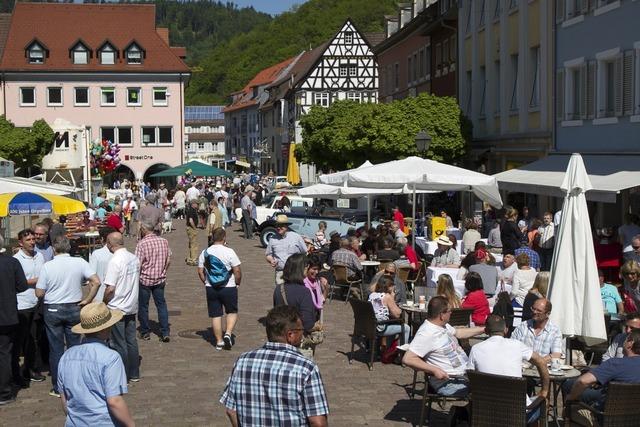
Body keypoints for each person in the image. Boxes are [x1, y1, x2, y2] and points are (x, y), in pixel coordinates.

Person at [220, 305, 329, 426]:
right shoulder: (306, 368)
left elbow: (231, 410)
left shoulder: (242, 362)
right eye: (301, 331)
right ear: (290, 335)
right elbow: (318, 423)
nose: (303, 335)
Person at [35, 236, 101, 397]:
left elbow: (39, 292)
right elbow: (96, 281)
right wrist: (87, 299)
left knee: (56, 349)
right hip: (74, 306)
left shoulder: (47, 266)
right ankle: (75, 382)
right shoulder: (79, 262)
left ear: (54, 249)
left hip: (53, 309)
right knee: (75, 348)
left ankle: (59, 386)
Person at [57, 303, 135, 426]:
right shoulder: (111, 358)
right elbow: (114, 401)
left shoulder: (66, 356)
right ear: (105, 328)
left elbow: (64, 400)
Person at [468, 314, 549, 423]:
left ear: (486, 331)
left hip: (485, 413)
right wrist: (544, 391)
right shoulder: (517, 345)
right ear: (506, 330)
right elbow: (541, 362)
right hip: (517, 415)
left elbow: (470, 377)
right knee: (542, 403)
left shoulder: (476, 349)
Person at [402, 296, 484, 397]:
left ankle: (465, 411)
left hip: (463, 376)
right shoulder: (427, 333)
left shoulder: (442, 325)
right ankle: (465, 411)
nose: (451, 313)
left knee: (490, 382)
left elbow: (458, 333)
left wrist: (483, 329)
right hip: (449, 382)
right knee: (487, 391)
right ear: (441, 315)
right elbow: (408, 358)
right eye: (449, 311)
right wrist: (434, 370)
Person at [563, 329, 640, 426]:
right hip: (634, 419)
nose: (623, 342)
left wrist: (571, 398)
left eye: (626, 339)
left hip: (603, 417)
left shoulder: (616, 363)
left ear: (630, 343)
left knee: (569, 389)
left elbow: (582, 381)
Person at [102, 232, 141, 383]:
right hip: (131, 304)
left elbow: (110, 288)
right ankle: (134, 372)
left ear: (110, 244)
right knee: (131, 340)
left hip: (117, 306)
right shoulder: (133, 258)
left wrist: (103, 302)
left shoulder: (114, 261)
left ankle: (122, 374)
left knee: (119, 343)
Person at [198, 227, 241, 351]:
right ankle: (228, 333)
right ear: (224, 238)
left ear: (212, 237)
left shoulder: (205, 252)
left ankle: (219, 341)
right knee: (231, 312)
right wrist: (237, 282)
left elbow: (200, 271)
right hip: (228, 286)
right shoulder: (229, 252)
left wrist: (206, 281)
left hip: (211, 287)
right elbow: (237, 270)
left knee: (216, 315)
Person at [12, 229, 46, 386]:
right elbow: (19, 283)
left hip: (38, 302)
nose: (32, 242)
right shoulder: (16, 260)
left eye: (33, 239)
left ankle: (31, 367)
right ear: (20, 243)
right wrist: (39, 280)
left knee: (34, 338)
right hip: (23, 303)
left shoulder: (40, 256)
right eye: (29, 240)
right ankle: (19, 371)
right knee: (22, 339)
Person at [0, 235, 28, 405]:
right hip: (7, 314)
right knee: (4, 353)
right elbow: (22, 286)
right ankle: (4, 391)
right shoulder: (12, 263)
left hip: (7, 315)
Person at [136, 221, 171, 342]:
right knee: (161, 305)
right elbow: (168, 260)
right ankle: (165, 331)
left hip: (145, 279)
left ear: (144, 230)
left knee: (143, 306)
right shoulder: (164, 241)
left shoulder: (142, 244)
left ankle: (145, 332)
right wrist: (163, 270)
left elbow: (137, 264)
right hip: (160, 279)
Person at [273, 253, 317, 334]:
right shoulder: (304, 292)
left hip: (281, 333)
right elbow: (308, 324)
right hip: (297, 336)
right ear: (300, 269)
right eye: (306, 268)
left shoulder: (279, 288)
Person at [511, 298, 563, 362]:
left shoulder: (554, 331)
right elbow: (511, 347)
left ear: (548, 314)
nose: (534, 312)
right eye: (533, 308)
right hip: (522, 367)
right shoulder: (522, 326)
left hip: (543, 369)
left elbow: (556, 354)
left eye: (539, 311)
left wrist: (539, 363)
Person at [265, 214, 308, 285]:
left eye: (281, 225)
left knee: (295, 293)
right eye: (277, 225)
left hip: (295, 273)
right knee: (282, 293)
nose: (278, 228)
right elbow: (268, 255)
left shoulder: (296, 237)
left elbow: (305, 253)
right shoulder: (272, 239)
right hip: (280, 273)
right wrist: (271, 260)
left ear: (286, 226)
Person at [368, 275, 409, 344]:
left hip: (369, 326)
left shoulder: (372, 295)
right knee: (406, 328)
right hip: (380, 327)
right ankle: (403, 352)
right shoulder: (387, 297)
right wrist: (392, 297)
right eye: (393, 285)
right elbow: (397, 314)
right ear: (389, 286)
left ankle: (388, 350)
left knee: (392, 322)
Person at [89, 227, 116, 303]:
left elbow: (91, 278)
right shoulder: (119, 254)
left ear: (101, 239)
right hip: (116, 298)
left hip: (99, 296)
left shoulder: (96, 254)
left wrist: (91, 298)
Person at [304, 256, 328, 321]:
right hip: (305, 317)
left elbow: (322, 300)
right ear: (306, 268)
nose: (316, 272)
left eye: (318, 269)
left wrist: (326, 288)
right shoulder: (302, 283)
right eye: (314, 269)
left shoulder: (317, 282)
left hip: (315, 317)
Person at [185, 199, 200, 266]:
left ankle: (190, 258)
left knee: (191, 244)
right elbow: (191, 220)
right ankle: (193, 259)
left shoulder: (191, 210)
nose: (197, 205)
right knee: (194, 244)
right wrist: (194, 228)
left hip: (189, 228)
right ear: (193, 204)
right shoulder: (191, 210)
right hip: (191, 228)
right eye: (197, 203)